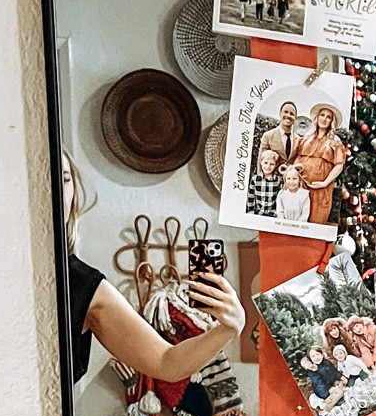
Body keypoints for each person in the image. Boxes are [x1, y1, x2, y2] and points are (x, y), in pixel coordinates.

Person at [61, 153, 243, 386]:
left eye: (65, 179)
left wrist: (229, 329)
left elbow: (166, 362)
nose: (58, 192)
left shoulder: (83, 284)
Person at [293, 102, 347, 225]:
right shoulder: (307, 138)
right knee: (297, 221)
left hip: (321, 190)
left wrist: (325, 183)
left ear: (332, 121)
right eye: (322, 115)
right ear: (317, 117)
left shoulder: (335, 141)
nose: (324, 119)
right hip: (301, 186)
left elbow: (339, 165)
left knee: (315, 222)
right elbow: (298, 157)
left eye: (328, 117)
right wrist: (294, 173)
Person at [260, 101, 305, 167]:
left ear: (295, 118)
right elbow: (261, 161)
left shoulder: (299, 140)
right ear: (280, 114)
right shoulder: (268, 136)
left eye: (292, 114)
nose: (288, 116)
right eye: (286, 112)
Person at [247, 145, 284, 220]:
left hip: (273, 214)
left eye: (272, 164)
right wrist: (251, 212)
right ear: (261, 162)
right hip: (258, 214)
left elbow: (281, 199)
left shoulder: (278, 180)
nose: (268, 167)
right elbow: (251, 197)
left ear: (275, 165)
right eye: (265, 163)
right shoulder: (255, 179)